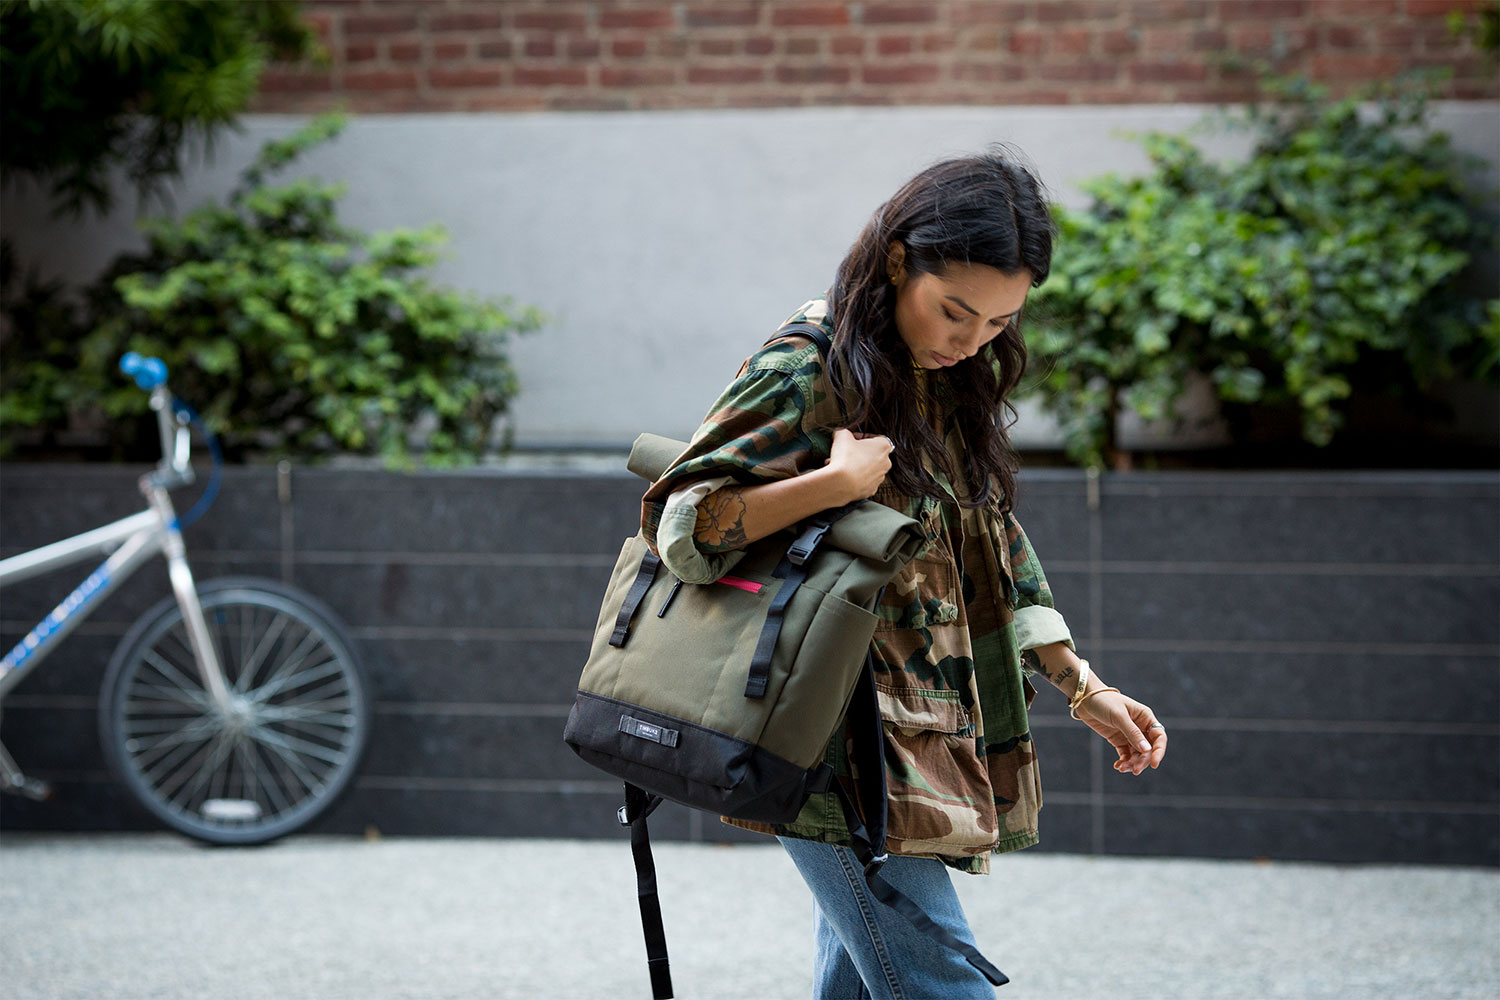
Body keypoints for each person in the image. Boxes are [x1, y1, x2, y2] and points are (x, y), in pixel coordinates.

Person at [638, 147, 1169, 999]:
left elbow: (990, 547)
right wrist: (830, 485)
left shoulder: (937, 383)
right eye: (955, 311)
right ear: (897, 261)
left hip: (916, 736)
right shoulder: (805, 369)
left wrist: (1081, 684)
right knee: (942, 983)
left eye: (997, 324)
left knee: (861, 979)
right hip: (828, 744)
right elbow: (682, 527)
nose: (971, 341)